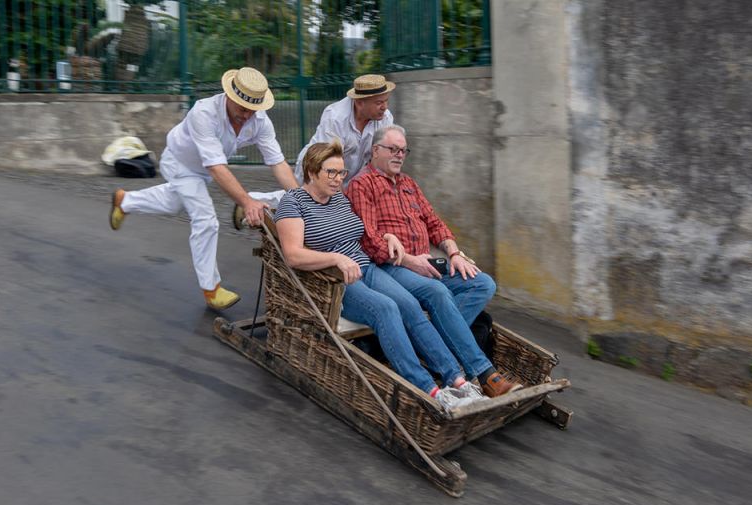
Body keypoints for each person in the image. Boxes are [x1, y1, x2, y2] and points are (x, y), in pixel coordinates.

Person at [274, 140, 484, 411]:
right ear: (312, 171)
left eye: (341, 173)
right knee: (386, 309)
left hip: (366, 268)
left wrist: (387, 235)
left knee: (409, 305)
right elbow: (293, 255)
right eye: (331, 173)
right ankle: (427, 388)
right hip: (336, 280)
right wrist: (336, 258)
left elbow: (361, 231)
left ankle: (456, 380)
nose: (338, 179)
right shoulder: (293, 202)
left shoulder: (338, 198)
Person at [346, 125, 522, 398]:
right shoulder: (362, 184)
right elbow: (370, 240)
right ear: (375, 150)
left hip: (428, 264)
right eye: (393, 149)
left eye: (404, 150)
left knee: (482, 283)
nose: (399, 155)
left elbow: (434, 222)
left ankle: (427, 344)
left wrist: (453, 253)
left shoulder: (408, 184)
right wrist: (409, 260)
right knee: (437, 292)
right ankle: (486, 374)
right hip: (393, 267)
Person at [109, 67, 298, 310]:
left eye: (253, 110)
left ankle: (125, 201)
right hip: (180, 162)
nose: (247, 115)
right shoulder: (204, 112)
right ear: (229, 96)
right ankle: (211, 289)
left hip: (201, 171)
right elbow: (217, 168)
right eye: (242, 108)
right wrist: (247, 202)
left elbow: (278, 162)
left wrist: (300, 197)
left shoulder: (260, 120)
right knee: (206, 219)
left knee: (173, 203)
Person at [293, 74, 395, 187]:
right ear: (359, 103)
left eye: (386, 101)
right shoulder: (335, 117)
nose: (384, 107)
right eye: (379, 103)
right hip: (316, 176)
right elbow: (329, 166)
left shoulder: (386, 118)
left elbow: (382, 160)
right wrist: (342, 202)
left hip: (348, 180)